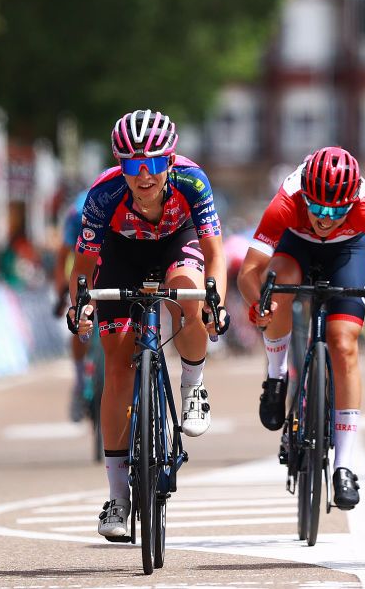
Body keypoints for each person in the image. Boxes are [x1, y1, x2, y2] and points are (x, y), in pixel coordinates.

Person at [65, 109, 229, 540]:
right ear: (121, 166)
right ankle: (118, 499)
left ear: (170, 162)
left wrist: (216, 302)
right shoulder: (103, 193)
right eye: (134, 166)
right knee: (118, 364)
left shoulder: (194, 181)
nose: (144, 176)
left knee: (189, 295)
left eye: (154, 164)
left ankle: (193, 385)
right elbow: (82, 267)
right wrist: (80, 306)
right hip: (121, 254)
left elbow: (214, 254)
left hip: (179, 243)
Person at [236, 147, 365, 510]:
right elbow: (248, 273)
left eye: (336, 211)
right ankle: (276, 376)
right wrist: (260, 305)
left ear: (352, 203)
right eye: (317, 208)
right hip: (295, 246)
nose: (325, 218)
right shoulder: (286, 201)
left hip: (349, 252)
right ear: (305, 196)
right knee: (278, 288)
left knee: (343, 343)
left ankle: (344, 466)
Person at [53, 188, 90, 421]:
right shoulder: (77, 212)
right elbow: (63, 255)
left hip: (109, 262)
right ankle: (79, 381)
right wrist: (60, 293)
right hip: (80, 268)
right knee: (79, 323)